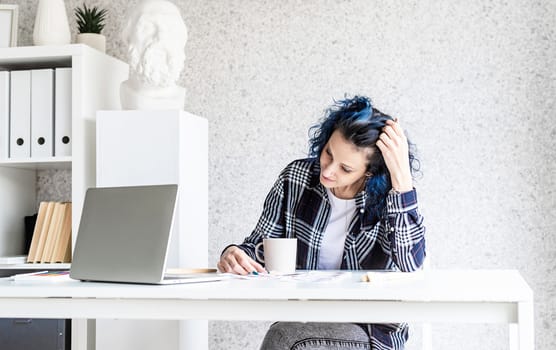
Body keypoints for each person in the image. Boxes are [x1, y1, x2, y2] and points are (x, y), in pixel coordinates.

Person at [217, 95, 426, 349]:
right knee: (287, 334)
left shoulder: (389, 199)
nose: (328, 171)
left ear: (369, 172)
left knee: (285, 337)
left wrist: (402, 179)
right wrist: (235, 254)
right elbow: (259, 249)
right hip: (304, 321)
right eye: (328, 153)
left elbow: (410, 263)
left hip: (369, 331)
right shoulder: (296, 179)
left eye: (345, 169)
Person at [120, 0, 188, 110]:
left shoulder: (180, 95)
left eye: (171, 29)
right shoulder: (126, 91)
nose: (160, 37)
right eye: (148, 27)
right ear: (129, 38)